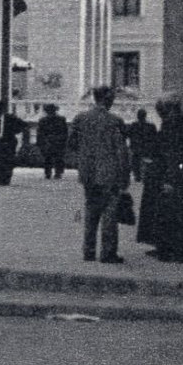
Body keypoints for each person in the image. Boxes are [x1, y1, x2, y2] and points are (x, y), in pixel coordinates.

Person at [68, 85, 131, 263]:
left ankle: (88, 250)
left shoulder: (81, 118)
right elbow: (122, 151)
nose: (113, 101)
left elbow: (71, 143)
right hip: (109, 172)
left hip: (88, 172)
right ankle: (107, 252)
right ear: (106, 99)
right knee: (109, 213)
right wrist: (125, 174)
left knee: (91, 210)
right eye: (111, 98)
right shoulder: (115, 121)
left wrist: (84, 156)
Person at [137, 96, 183, 262]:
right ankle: (175, 248)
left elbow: (175, 154)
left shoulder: (173, 125)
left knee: (169, 213)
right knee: (180, 213)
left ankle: (168, 250)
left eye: (161, 110)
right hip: (181, 175)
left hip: (172, 175)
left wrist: (170, 178)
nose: (160, 114)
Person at [0, 101, 26, 185]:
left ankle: (6, 178)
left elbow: (23, 125)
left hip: (8, 142)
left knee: (8, 160)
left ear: (2, 109)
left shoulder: (10, 118)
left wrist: (14, 131)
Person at [36, 103, 69, 180]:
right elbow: (65, 131)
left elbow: (40, 133)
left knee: (47, 158)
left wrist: (39, 143)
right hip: (58, 141)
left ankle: (48, 173)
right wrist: (64, 141)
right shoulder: (61, 119)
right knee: (59, 158)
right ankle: (58, 173)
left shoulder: (42, 120)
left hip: (47, 141)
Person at [125, 109, 158, 184]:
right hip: (147, 151)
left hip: (136, 151)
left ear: (137, 116)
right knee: (146, 170)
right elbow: (155, 139)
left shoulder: (133, 125)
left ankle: (137, 178)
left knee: (136, 169)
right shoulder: (151, 126)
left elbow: (127, 135)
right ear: (145, 116)